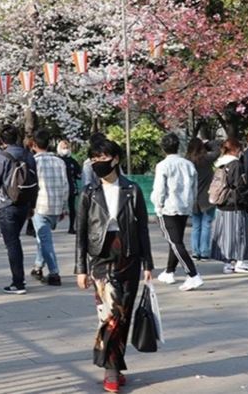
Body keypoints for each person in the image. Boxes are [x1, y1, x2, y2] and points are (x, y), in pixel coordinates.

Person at [75, 138, 154, 393]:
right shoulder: (88, 192)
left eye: (103, 158)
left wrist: (148, 264)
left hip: (128, 256)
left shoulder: (132, 190)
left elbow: (142, 228)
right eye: (94, 159)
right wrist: (81, 269)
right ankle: (110, 369)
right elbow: (82, 233)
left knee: (123, 314)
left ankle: (114, 365)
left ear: (116, 159)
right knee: (110, 314)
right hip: (100, 257)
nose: (99, 163)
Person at [0, 125, 37, 295]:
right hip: (24, 204)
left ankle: (18, 282)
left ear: (2, 140)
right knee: (14, 241)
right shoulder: (28, 155)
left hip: (7, 204)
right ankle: (20, 279)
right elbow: (35, 182)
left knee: (12, 244)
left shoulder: (2, 157)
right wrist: (32, 205)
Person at [151, 133, 203, 292]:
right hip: (185, 205)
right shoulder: (188, 164)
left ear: (163, 148)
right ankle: (169, 271)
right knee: (176, 240)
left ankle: (193, 275)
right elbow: (195, 186)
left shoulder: (163, 165)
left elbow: (160, 188)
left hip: (168, 207)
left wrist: (157, 205)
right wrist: (191, 202)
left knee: (175, 242)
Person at [210, 138, 248, 275]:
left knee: (225, 236)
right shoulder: (235, 164)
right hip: (235, 205)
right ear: (236, 149)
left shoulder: (220, 163)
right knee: (240, 235)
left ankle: (228, 263)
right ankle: (241, 262)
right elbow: (240, 186)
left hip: (221, 204)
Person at [29, 130, 69, 286]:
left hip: (40, 205)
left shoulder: (34, 161)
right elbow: (65, 185)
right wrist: (64, 207)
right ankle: (38, 266)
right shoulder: (60, 161)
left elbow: (31, 186)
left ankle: (54, 273)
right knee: (43, 237)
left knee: (45, 240)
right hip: (56, 205)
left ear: (34, 145)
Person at [185, 137, 221, 260]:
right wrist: (208, 143)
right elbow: (218, 150)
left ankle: (195, 252)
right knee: (206, 225)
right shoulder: (206, 159)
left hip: (193, 198)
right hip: (207, 198)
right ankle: (205, 252)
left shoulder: (187, 161)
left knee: (196, 226)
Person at [57, 139, 81, 234]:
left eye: (67, 148)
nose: (65, 149)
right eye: (63, 148)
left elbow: (78, 174)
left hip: (71, 186)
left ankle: (71, 226)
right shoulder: (56, 160)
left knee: (72, 207)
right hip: (59, 187)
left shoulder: (73, 161)